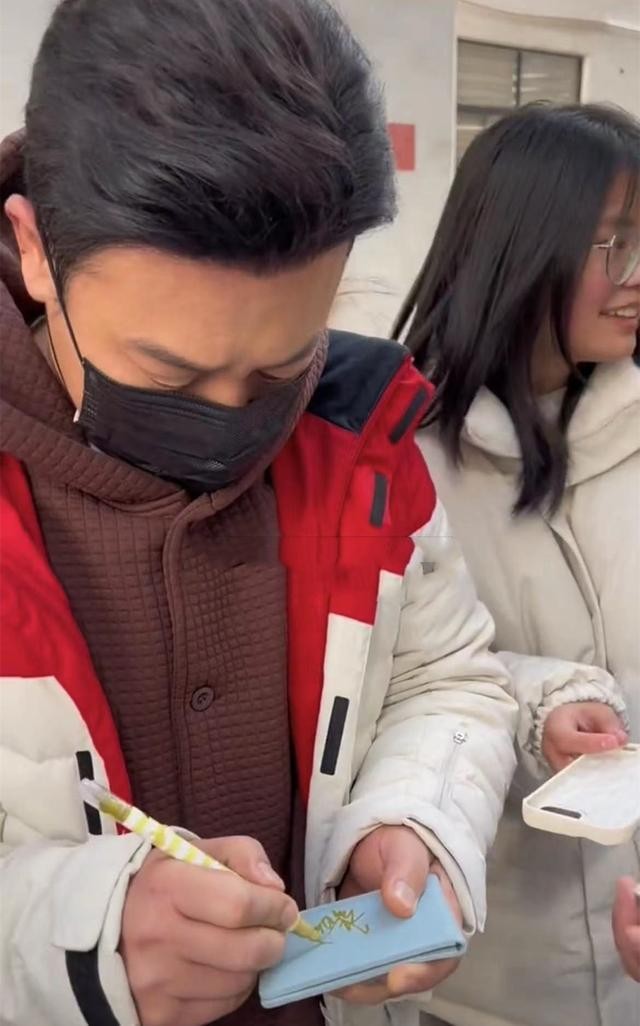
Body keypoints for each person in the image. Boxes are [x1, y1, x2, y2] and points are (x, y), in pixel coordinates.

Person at [0, 2, 518, 1026]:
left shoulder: (358, 432)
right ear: (35, 249)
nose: (233, 420)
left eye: (281, 366)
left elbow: (445, 677)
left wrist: (412, 819)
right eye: (167, 373)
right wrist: (76, 937)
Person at [393, 102, 640, 1026]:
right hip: (490, 979)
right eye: (616, 243)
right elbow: (393, 682)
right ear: (522, 245)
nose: (637, 275)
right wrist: (542, 706)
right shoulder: (398, 461)